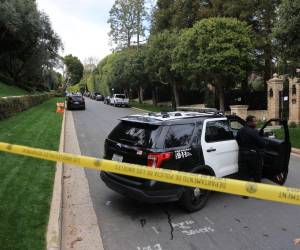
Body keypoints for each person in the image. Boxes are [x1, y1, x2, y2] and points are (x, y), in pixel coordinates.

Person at [236, 115, 266, 183]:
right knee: (257, 174)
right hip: (253, 156)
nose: (256, 123)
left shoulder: (240, 130)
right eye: (254, 121)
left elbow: (238, 141)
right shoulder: (253, 132)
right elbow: (261, 143)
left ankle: (244, 190)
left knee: (243, 174)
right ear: (249, 122)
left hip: (242, 155)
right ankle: (257, 190)